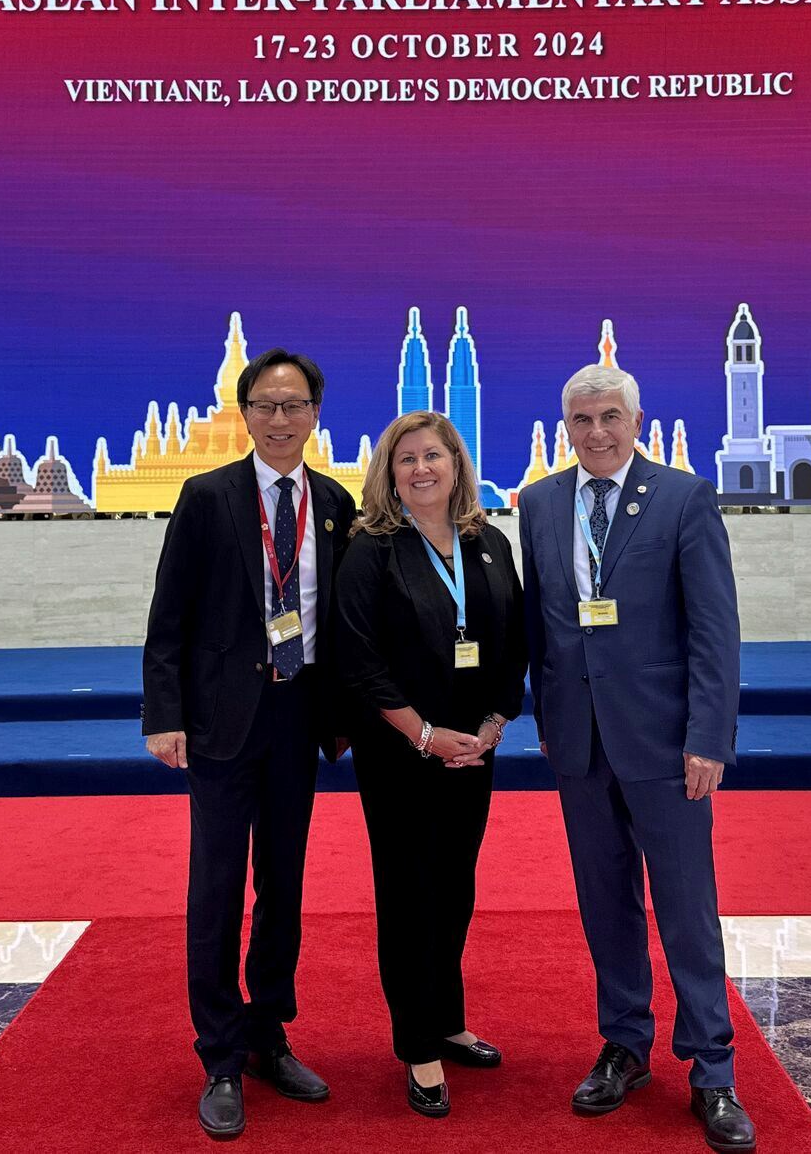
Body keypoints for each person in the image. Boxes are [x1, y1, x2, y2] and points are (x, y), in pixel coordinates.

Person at [517, 364, 754, 1153]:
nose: (596, 433)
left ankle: (713, 1068)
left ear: (637, 419)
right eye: (581, 420)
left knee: (687, 907)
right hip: (578, 742)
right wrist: (548, 713)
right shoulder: (543, 503)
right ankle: (624, 1043)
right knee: (604, 903)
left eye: (610, 417)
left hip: (664, 741)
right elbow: (544, 623)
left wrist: (709, 738)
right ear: (566, 426)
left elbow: (715, 630)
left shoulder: (684, 498)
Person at [140, 348, 358, 1141]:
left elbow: (342, 624)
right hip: (221, 723)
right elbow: (169, 620)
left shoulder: (336, 502)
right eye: (265, 404)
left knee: (284, 886)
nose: (279, 417)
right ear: (245, 413)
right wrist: (164, 714)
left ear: (314, 414)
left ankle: (269, 1032)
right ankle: (221, 1056)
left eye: (294, 404)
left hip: (300, 719)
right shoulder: (206, 497)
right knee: (217, 888)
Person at [332, 411, 527, 1119]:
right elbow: (358, 657)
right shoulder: (372, 550)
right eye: (406, 457)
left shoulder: (490, 543)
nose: (421, 468)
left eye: (434, 455)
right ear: (389, 471)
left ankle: (447, 1018)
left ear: (456, 463)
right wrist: (423, 734)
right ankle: (417, 1043)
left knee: (455, 888)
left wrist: (492, 723)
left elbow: (515, 643)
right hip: (401, 757)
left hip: (473, 752)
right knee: (410, 896)